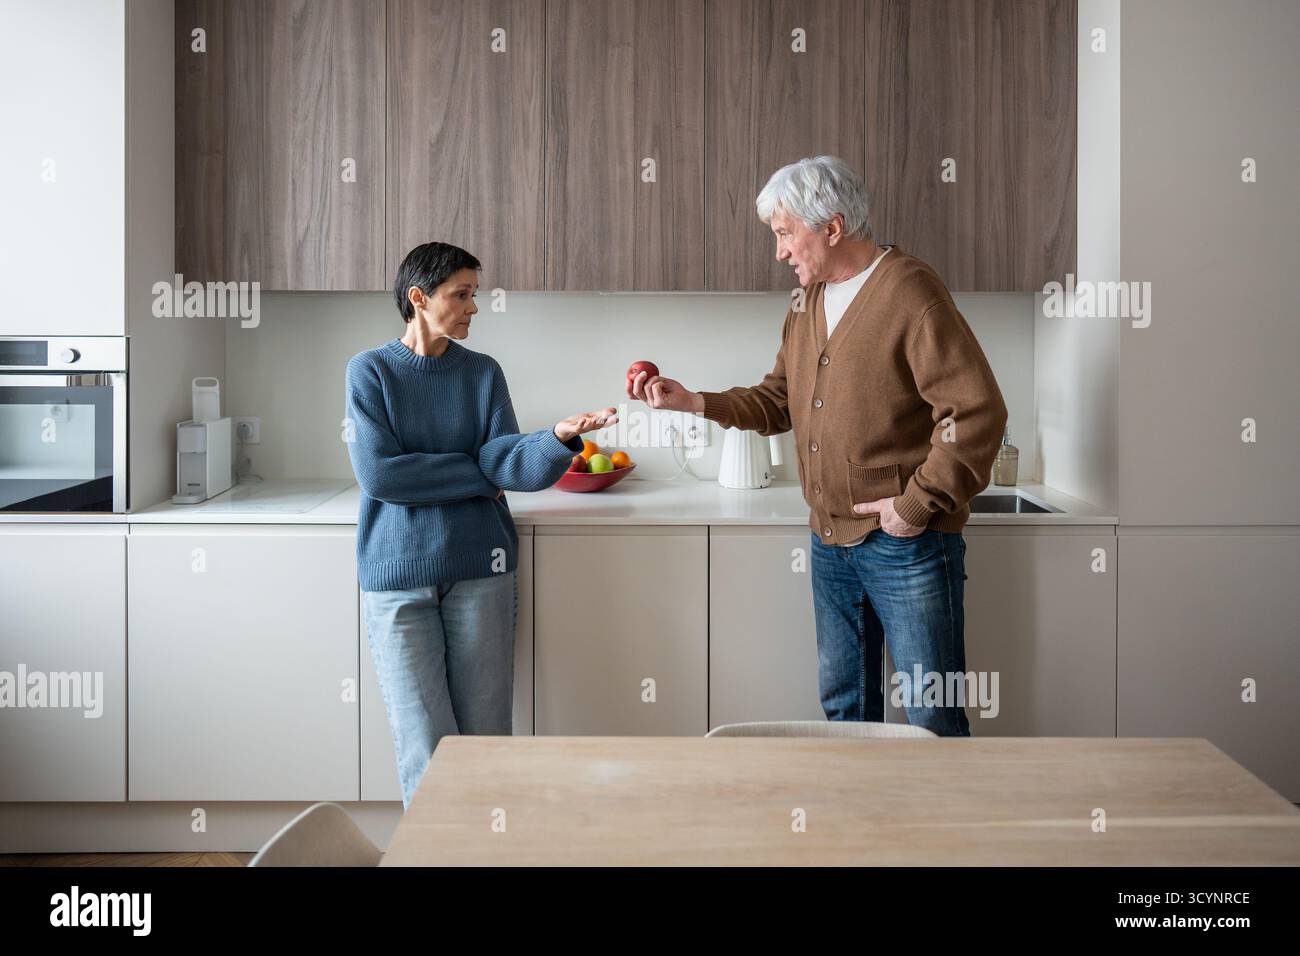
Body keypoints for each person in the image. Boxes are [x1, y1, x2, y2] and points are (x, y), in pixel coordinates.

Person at [629, 156, 1007, 735]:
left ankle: (939, 828)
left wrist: (915, 504)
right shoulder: (807, 303)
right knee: (845, 711)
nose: (779, 251)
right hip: (831, 541)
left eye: (785, 233)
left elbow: (976, 413)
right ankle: (853, 827)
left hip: (907, 545)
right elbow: (780, 399)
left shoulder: (910, 292)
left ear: (831, 228)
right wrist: (695, 401)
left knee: (932, 716)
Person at [346, 241, 614, 806]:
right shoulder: (370, 372)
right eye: (460, 295)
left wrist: (558, 438)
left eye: (475, 294)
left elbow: (507, 465)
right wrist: (475, 473)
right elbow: (381, 476)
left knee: (488, 741)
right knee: (425, 744)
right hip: (398, 579)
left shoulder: (483, 373)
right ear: (419, 299)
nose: (473, 307)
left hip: (481, 571)